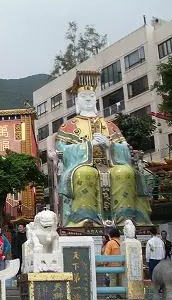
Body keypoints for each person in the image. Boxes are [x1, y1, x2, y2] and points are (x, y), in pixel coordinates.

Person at [56, 71, 151, 227]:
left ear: (96, 100)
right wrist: (88, 146)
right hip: (82, 165)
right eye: (84, 98)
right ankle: (85, 219)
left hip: (111, 164)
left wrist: (110, 145)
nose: (88, 100)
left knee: (125, 172)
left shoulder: (110, 126)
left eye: (91, 97)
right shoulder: (69, 127)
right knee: (84, 173)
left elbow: (125, 148)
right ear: (77, 102)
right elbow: (61, 149)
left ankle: (124, 218)